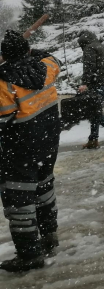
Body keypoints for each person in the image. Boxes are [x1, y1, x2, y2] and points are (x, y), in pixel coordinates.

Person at [0, 30, 61, 271]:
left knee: (18, 199)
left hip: (20, 147)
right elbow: (52, 56)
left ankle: (29, 254)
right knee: (44, 186)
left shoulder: (4, 82)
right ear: (27, 50)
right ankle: (49, 237)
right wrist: (26, 51)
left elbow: (3, 120)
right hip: (48, 141)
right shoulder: (46, 67)